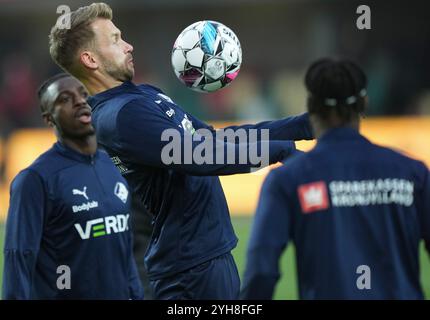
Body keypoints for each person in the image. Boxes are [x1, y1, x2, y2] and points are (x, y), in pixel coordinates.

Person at [48, 3, 314, 299]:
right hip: (187, 273)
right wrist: (279, 153)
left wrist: (300, 127)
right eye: (114, 39)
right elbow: (196, 155)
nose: (128, 45)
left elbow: (215, 140)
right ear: (90, 59)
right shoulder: (118, 116)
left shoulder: (145, 95)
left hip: (207, 259)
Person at [240, 58, 430, 299]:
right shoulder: (412, 172)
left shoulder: (288, 179)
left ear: (311, 106)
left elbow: (261, 270)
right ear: (364, 103)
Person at [2, 73, 143, 299]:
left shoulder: (114, 166)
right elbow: (18, 257)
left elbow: (125, 251)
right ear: (49, 119)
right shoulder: (36, 179)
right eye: (65, 99)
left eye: (83, 94)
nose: (79, 101)